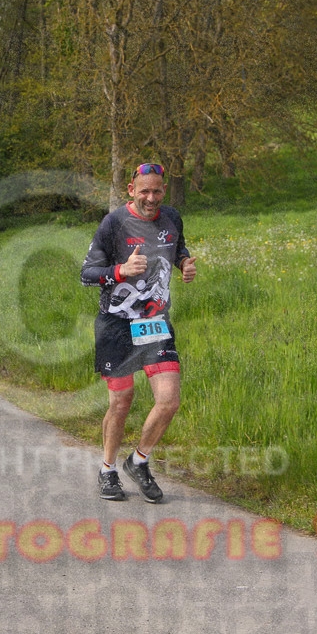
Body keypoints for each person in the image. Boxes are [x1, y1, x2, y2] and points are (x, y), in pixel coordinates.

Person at [80, 163, 197, 502]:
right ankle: (108, 469)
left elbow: (178, 248)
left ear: (164, 191)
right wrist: (121, 270)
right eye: (144, 191)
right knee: (121, 402)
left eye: (157, 191)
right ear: (131, 190)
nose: (151, 198)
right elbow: (87, 274)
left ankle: (139, 461)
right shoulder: (113, 223)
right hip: (117, 325)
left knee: (169, 401)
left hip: (154, 322)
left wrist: (184, 263)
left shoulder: (172, 217)